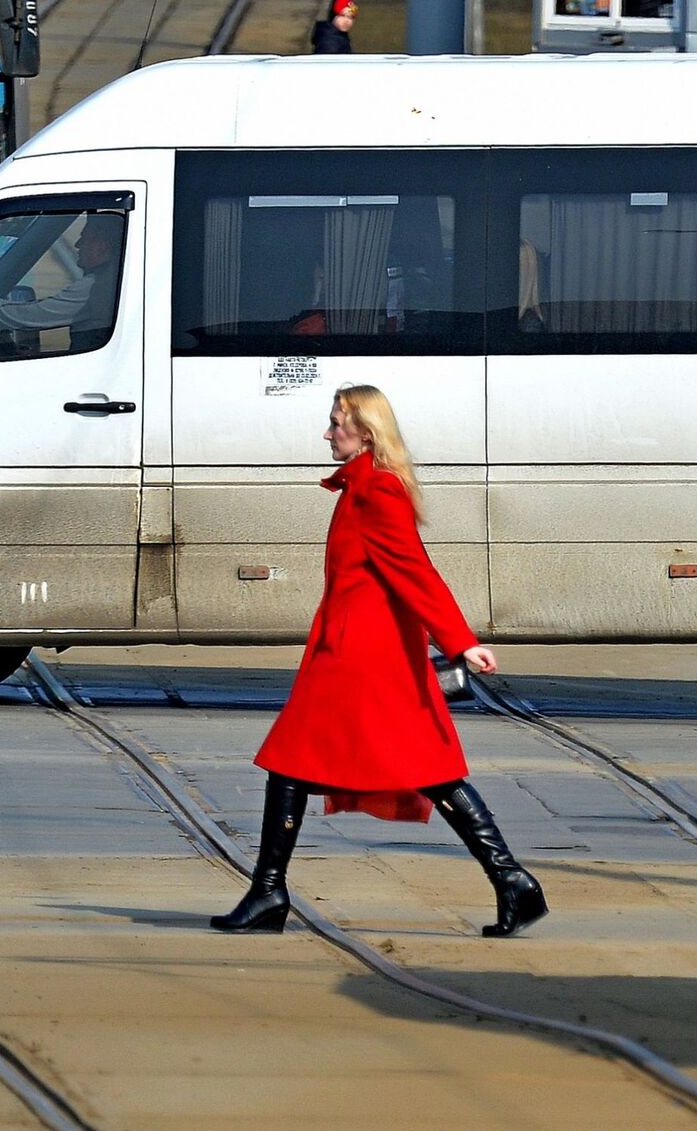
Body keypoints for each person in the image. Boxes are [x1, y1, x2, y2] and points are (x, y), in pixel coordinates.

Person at [211, 386, 548, 939]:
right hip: (351, 649)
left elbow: (415, 572)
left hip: (360, 657)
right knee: (395, 762)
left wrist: (461, 642)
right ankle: (510, 881)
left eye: (334, 423)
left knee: (320, 760)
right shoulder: (360, 486)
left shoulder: (377, 490)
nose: (326, 433)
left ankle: (270, 890)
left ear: (365, 431)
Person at [0, 213, 123, 351]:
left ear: (102, 247)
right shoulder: (112, 281)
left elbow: (33, 315)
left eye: (84, 238)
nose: (78, 244)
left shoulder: (97, 287)